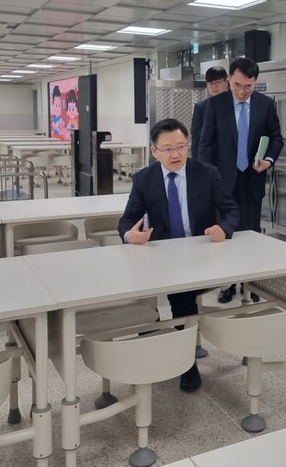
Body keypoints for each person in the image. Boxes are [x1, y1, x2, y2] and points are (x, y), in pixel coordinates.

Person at [118, 118, 239, 392]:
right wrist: (129, 235)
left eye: (181, 146)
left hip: (200, 254)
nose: (176, 154)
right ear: (154, 151)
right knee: (151, 303)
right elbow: (127, 221)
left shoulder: (206, 173)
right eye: (168, 149)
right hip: (162, 255)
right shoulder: (144, 179)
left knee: (181, 297)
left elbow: (231, 210)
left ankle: (186, 362)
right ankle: (159, 343)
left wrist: (223, 228)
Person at [199, 57, 284, 303]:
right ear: (229, 80)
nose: (242, 91)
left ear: (255, 82)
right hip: (222, 182)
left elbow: (276, 137)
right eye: (237, 85)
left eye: (248, 86)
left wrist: (268, 160)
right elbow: (205, 146)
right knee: (226, 235)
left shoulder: (265, 104)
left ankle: (251, 282)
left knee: (250, 234)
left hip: (252, 180)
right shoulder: (215, 105)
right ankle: (227, 283)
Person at [191, 66, 229, 161]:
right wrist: (197, 164)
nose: (214, 87)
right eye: (210, 83)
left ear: (227, 82)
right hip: (210, 160)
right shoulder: (201, 107)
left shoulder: (236, 104)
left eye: (217, 82)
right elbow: (196, 140)